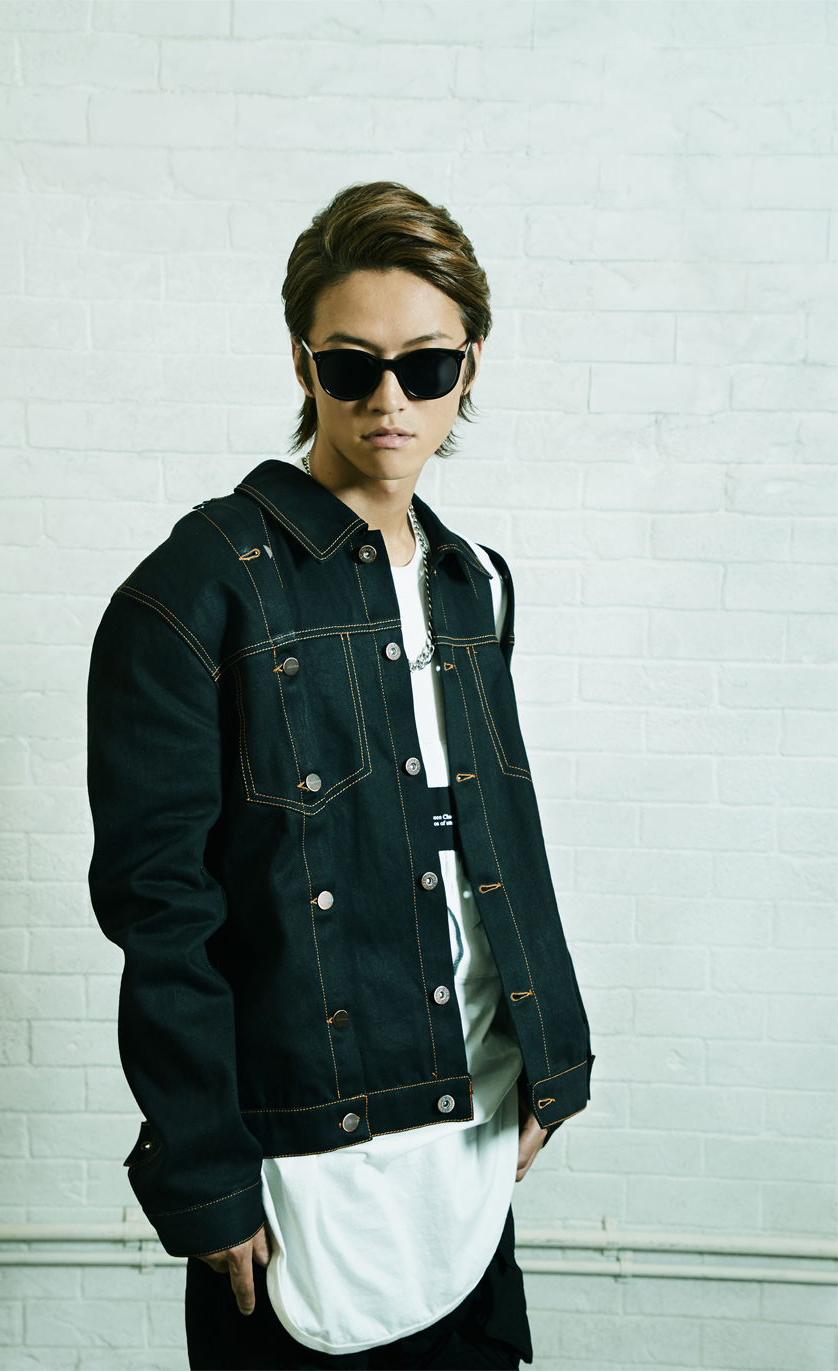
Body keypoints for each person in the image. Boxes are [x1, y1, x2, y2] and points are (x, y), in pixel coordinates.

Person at [87, 182, 594, 1370]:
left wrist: (550, 1058)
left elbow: (495, 840)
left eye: (425, 367)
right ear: (301, 362)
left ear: (470, 367)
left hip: (473, 1135)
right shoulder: (193, 592)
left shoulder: (472, 582)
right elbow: (160, 909)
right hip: (303, 1169)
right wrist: (204, 1174)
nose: (387, 399)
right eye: (350, 365)